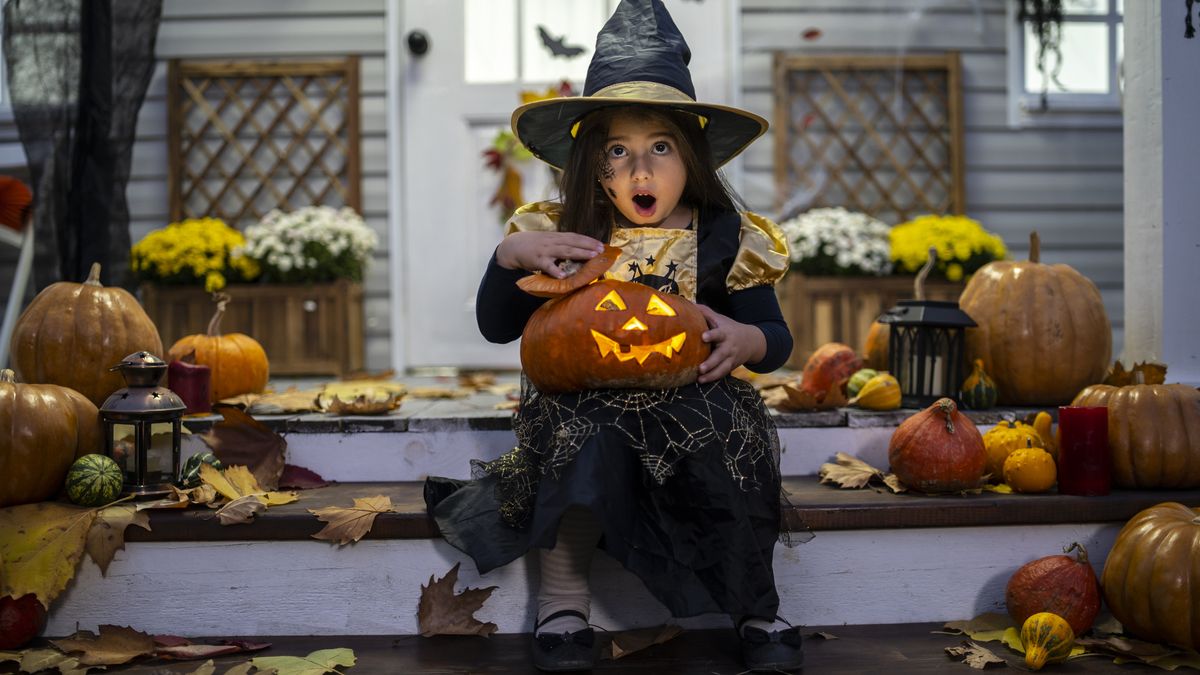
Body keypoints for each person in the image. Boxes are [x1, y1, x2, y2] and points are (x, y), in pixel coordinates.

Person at [424, 1, 799, 671]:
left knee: (733, 447)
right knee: (578, 441)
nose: (639, 171)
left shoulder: (727, 237)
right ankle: (564, 598)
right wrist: (510, 259)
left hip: (695, 397)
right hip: (584, 398)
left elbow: (776, 335)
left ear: (692, 157)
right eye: (617, 152)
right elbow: (497, 326)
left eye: (660, 147)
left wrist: (748, 339)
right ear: (592, 166)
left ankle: (753, 603)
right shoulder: (563, 234)